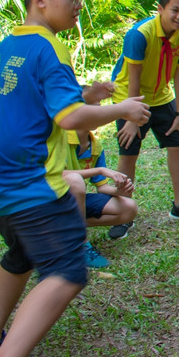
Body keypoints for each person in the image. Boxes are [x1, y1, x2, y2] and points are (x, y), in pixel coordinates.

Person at [0, 0, 150, 357]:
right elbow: (68, 118)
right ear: (41, 0)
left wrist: (88, 94)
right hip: (23, 181)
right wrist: (121, 108)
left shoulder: (12, 43)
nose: (79, 3)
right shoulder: (49, 45)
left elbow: (37, 100)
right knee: (65, 268)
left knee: (23, 254)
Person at [110, 0, 179, 238]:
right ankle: (123, 212)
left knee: (177, 146)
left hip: (162, 97)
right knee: (129, 152)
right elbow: (134, 77)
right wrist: (132, 117)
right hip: (130, 97)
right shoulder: (140, 34)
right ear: (160, 9)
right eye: (174, 10)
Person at [62, 102, 138, 269]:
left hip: (73, 202)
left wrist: (119, 190)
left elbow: (101, 187)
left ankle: (66, 227)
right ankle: (79, 245)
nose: (99, 113)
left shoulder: (95, 145)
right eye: (93, 109)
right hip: (47, 201)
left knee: (128, 207)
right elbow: (54, 175)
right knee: (75, 181)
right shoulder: (59, 138)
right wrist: (100, 170)